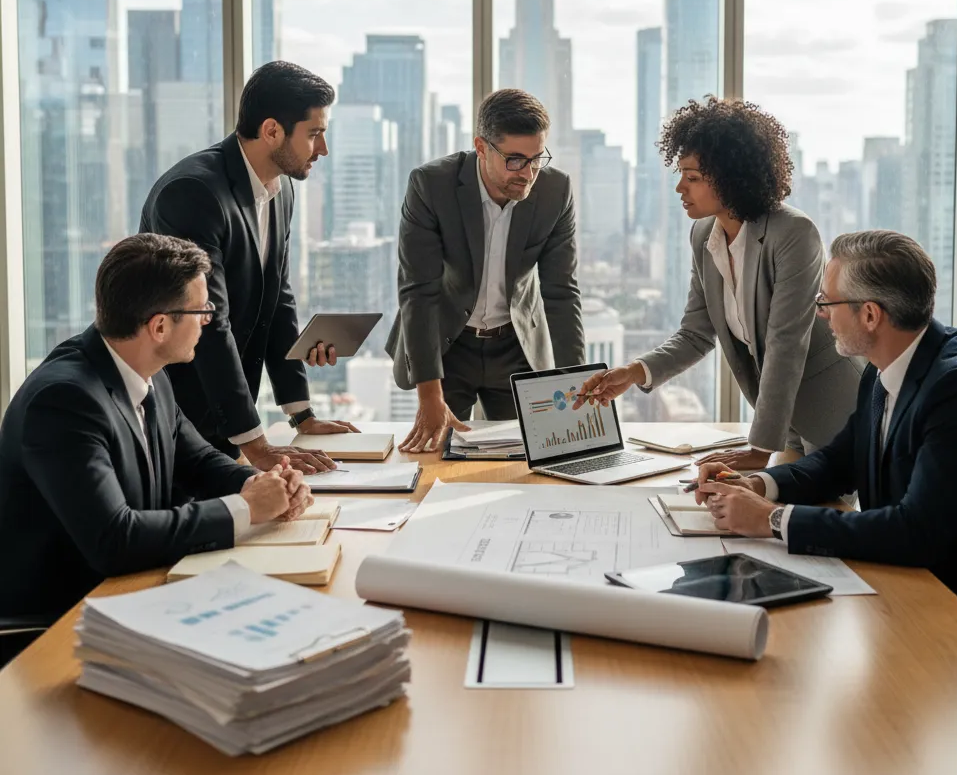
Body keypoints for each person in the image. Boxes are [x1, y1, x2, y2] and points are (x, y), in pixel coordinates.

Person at [0, 234, 312, 663]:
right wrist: (247, 509)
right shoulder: (63, 401)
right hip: (59, 627)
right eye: (203, 310)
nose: (209, 320)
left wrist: (265, 482)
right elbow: (115, 539)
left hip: (137, 593)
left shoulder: (147, 370)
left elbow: (198, 460)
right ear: (159, 326)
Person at [696, 230, 957, 620]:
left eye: (827, 302)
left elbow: (916, 533)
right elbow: (839, 461)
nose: (821, 313)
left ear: (870, 315)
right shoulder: (884, 367)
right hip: (904, 587)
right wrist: (758, 485)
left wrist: (771, 519)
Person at [575, 96, 862, 470]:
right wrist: (634, 373)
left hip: (831, 409)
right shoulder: (703, 236)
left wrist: (758, 450)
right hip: (780, 415)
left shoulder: (794, 233)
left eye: (692, 178)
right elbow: (695, 334)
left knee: (824, 517)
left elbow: (785, 344)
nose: (680, 187)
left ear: (731, 177)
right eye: (681, 174)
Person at [140, 61, 357, 475]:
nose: (323, 149)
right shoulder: (194, 193)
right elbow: (208, 321)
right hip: (181, 414)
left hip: (228, 420)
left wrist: (301, 414)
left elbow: (278, 299)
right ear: (272, 130)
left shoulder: (282, 190)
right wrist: (257, 445)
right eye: (314, 134)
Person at [388, 87, 585, 453]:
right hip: (448, 344)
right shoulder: (431, 185)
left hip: (516, 345)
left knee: (524, 461)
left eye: (536, 158)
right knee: (438, 458)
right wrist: (429, 392)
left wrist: (577, 384)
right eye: (514, 160)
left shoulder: (556, 190)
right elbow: (418, 291)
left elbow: (561, 291)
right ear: (481, 147)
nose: (527, 173)